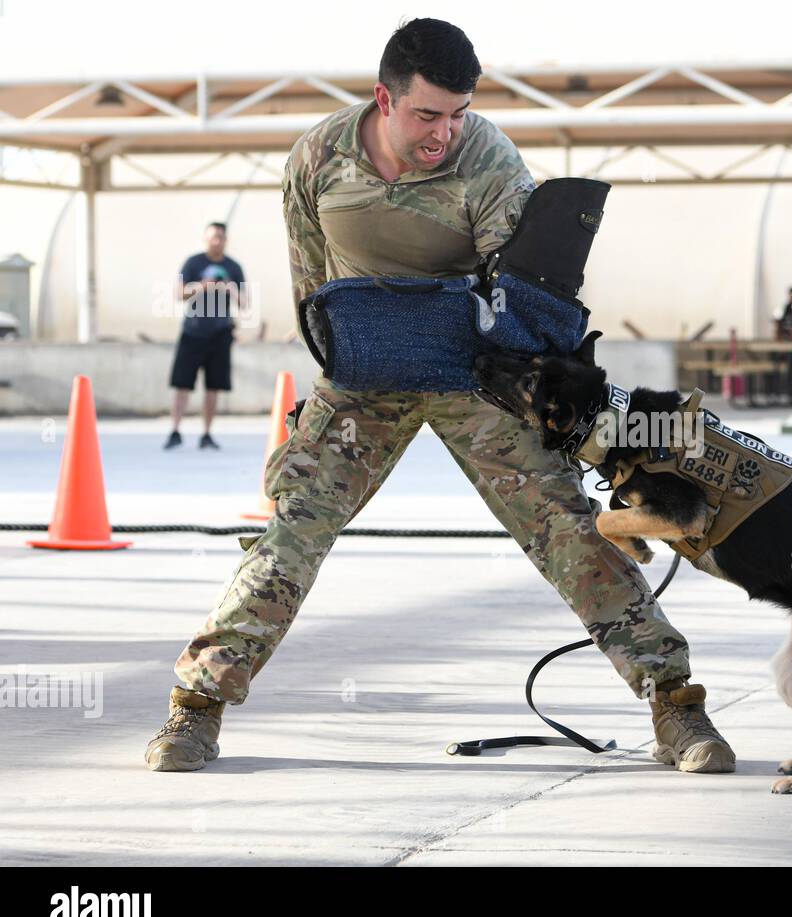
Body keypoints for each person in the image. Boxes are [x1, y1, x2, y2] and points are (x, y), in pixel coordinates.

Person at [145, 18, 735, 775]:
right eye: (427, 115)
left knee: (567, 530)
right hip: (365, 376)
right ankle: (195, 709)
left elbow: (518, 292)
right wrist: (341, 366)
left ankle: (675, 706)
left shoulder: (485, 155)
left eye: (457, 113)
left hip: (476, 372)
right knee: (293, 530)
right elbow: (311, 282)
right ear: (384, 100)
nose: (444, 133)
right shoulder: (318, 156)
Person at [165, 222, 245, 450]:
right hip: (193, 331)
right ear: (205, 239)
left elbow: (246, 303)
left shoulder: (233, 267)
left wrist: (230, 289)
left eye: (220, 237)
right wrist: (201, 286)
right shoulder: (194, 263)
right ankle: (175, 430)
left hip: (220, 334)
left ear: (226, 240)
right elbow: (178, 293)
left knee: (214, 386)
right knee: (182, 384)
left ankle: (207, 433)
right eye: (212, 237)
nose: (216, 241)